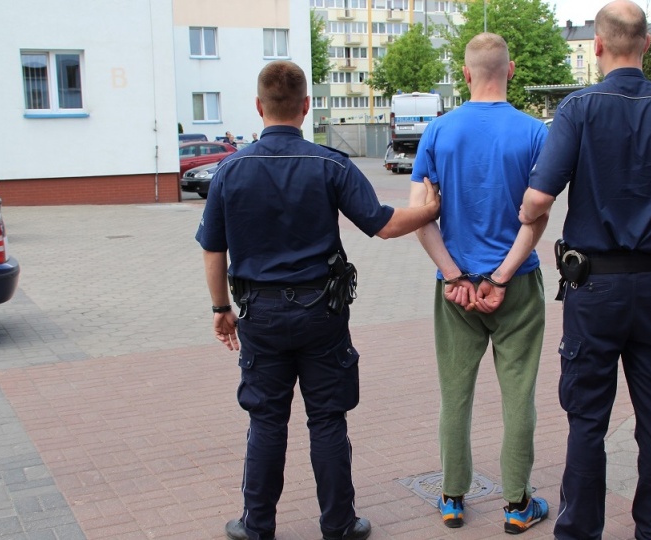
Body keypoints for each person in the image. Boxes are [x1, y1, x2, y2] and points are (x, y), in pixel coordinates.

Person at [197, 60, 440, 540]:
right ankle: (339, 525)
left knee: (266, 420)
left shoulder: (229, 170)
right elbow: (384, 224)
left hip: (260, 314)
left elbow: (212, 247)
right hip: (322, 312)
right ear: (306, 107)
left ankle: (257, 524)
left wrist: (221, 309)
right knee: (327, 419)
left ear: (258, 106)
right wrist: (429, 209)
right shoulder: (331, 164)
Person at [518, 2, 651, 539]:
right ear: (647, 44)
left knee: (588, 420)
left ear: (599, 47)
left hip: (594, 289)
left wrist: (527, 212)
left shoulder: (577, 109)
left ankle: (580, 531)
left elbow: (539, 197)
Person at [408, 32, 550, 534]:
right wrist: (501, 276)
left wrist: (455, 275)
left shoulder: (437, 132)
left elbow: (419, 216)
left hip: (455, 290)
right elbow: (538, 217)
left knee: (455, 393)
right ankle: (516, 505)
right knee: (519, 396)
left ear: (466, 74)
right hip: (516, 287)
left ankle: (451, 497)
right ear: (510, 71)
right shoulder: (537, 134)